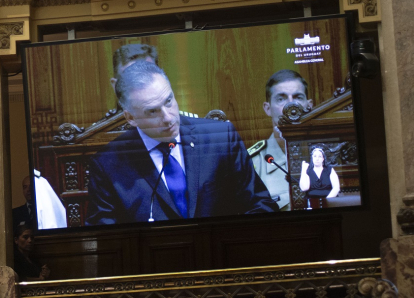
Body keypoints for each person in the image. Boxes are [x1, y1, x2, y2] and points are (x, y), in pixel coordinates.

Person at [85, 61, 275, 225]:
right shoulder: (107, 165)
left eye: (169, 101)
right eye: (152, 111)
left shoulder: (220, 138)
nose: (168, 118)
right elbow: (105, 236)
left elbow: (261, 205)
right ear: (130, 117)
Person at [251, 69, 314, 212]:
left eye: (298, 97)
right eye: (281, 99)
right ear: (267, 108)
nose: (291, 106)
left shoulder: (326, 154)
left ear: (309, 106)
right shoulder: (253, 165)